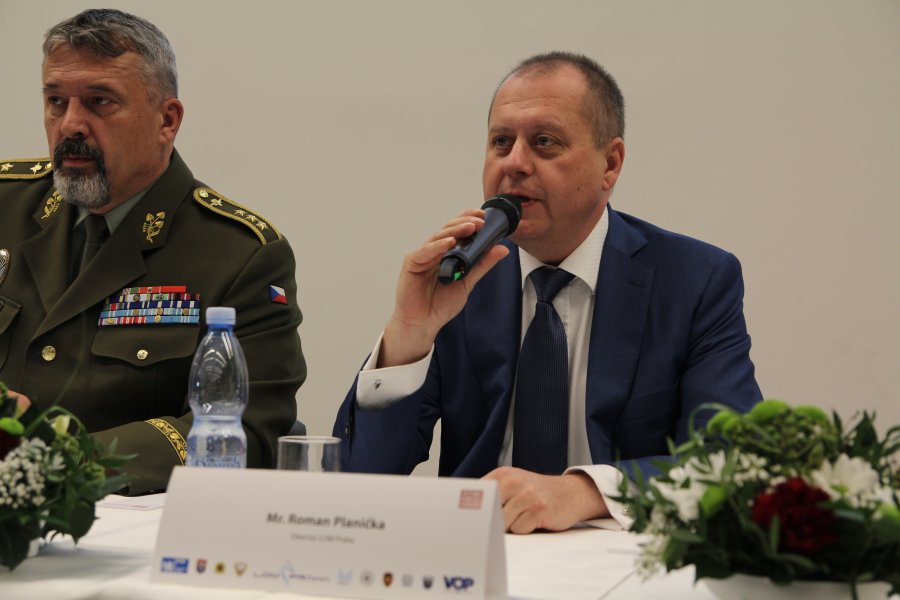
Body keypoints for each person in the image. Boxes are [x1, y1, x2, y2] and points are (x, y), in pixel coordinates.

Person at [333, 52, 761, 533]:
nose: (515, 163)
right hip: (480, 554)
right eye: (501, 142)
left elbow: (733, 465)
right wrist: (409, 333)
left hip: (624, 557)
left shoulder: (694, 280)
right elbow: (356, 481)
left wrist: (583, 492)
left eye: (544, 142)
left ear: (610, 163)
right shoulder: (460, 278)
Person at [0, 9, 306, 494]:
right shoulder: (7, 204)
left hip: (125, 525)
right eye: (56, 101)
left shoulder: (239, 255)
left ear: (167, 119)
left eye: (99, 102)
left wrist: (60, 460)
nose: (70, 125)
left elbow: (250, 432)